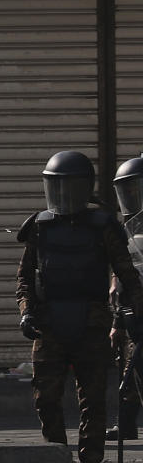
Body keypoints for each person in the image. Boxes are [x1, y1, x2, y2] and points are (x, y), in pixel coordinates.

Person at [16, 151, 143, 463]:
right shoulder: (40, 227)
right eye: (57, 187)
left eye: (71, 187)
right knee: (46, 399)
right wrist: (26, 312)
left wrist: (137, 315)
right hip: (48, 324)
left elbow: (127, 274)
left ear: (85, 189)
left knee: (93, 401)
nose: (64, 196)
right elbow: (25, 278)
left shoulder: (102, 227)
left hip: (91, 322)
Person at [107, 156, 143, 440]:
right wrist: (117, 320)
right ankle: (127, 425)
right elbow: (119, 278)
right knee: (128, 370)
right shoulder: (127, 231)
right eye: (128, 191)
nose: (132, 197)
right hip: (130, 312)